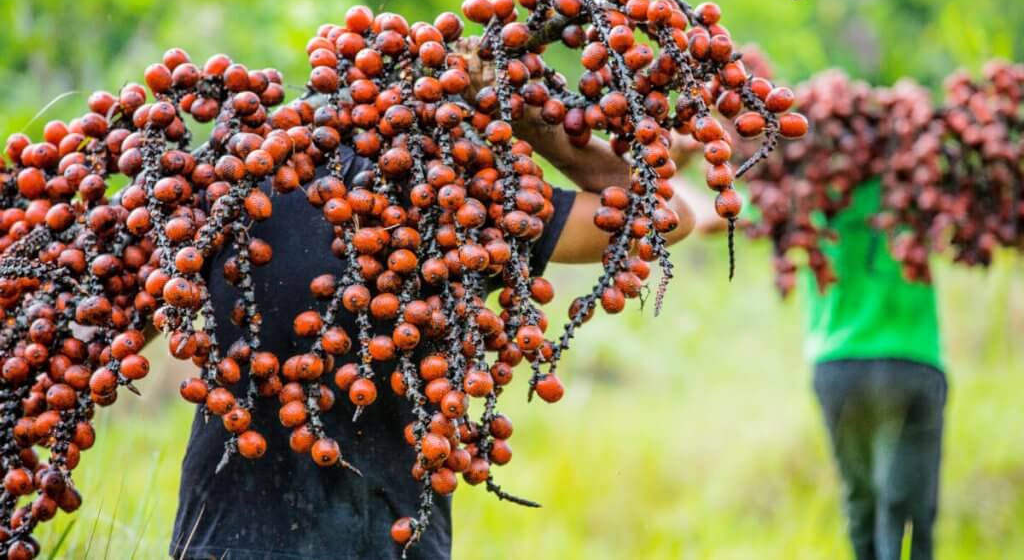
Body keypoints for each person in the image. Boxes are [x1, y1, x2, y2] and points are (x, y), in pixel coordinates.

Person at [167, 100, 699, 559]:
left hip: (230, 535)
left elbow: (105, 323)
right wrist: (530, 119)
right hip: (378, 537)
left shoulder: (227, 186)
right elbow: (663, 214)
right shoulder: (469, 207)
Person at [691, 174, 946, 560]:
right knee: (910, 511)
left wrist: (672, 166)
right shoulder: (919, 179)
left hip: (841, 362)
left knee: (863, 501)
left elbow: (711, 219)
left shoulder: (812, 181)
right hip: (914, 359)